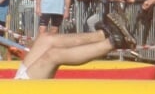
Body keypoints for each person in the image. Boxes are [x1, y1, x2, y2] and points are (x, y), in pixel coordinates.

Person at [10, 12, 139, 79]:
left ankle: (104, 34)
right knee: (53, 55)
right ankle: (113, 42)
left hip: (11, 89)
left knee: (45, 40)